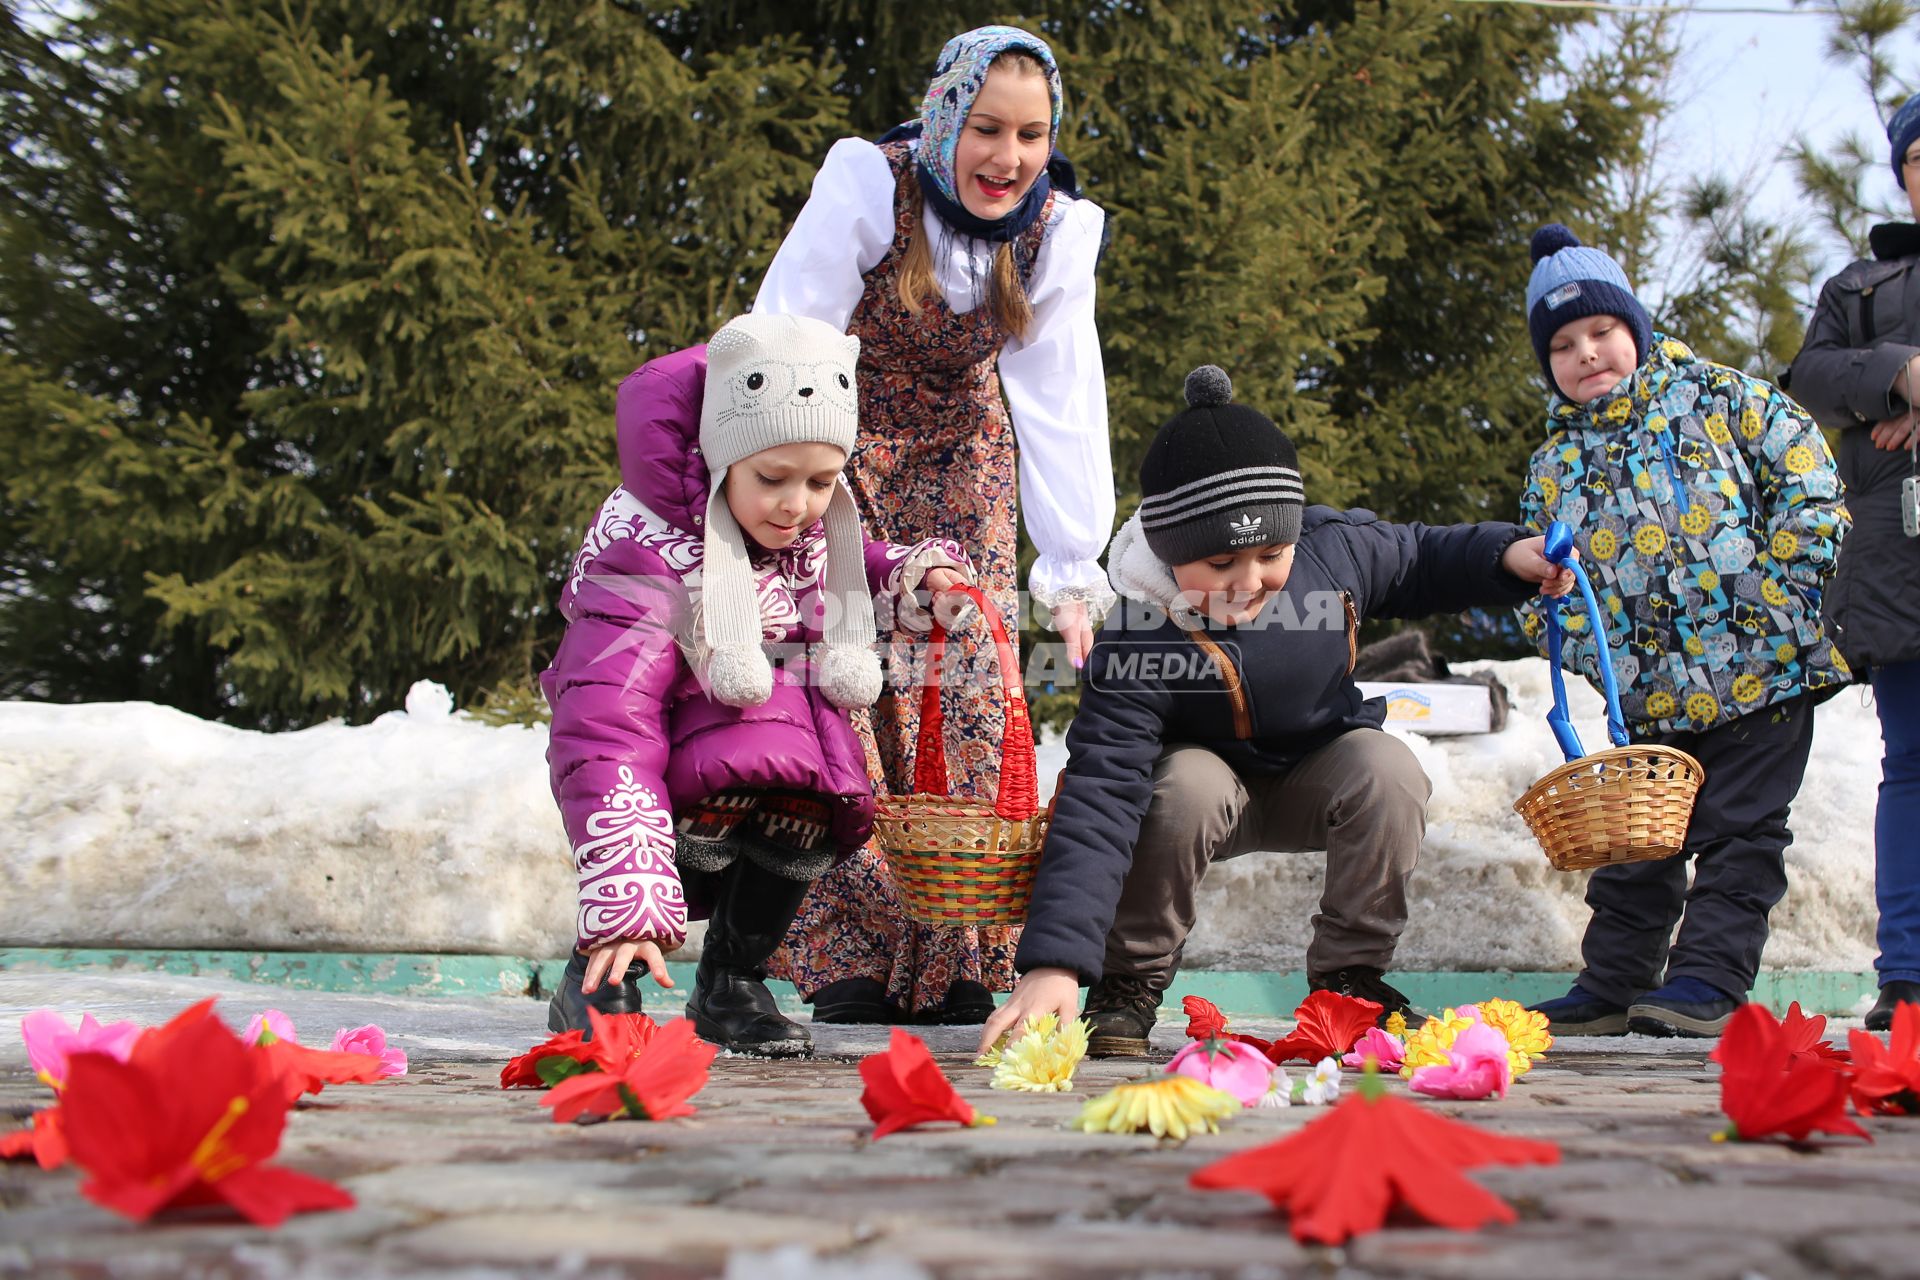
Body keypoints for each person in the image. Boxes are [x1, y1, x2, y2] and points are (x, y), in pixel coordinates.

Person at [979, 365, 1575, 1057]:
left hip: (1312, 776)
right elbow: (1101, 793)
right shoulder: (1138, 634)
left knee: (1388, 767)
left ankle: (1352, 979)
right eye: (1221, 564)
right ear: (1171, 555)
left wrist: (1508, 555)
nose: (1250, 581)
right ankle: (1129, 982)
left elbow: (1420, 556)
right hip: (1202, 799)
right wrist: (1055, 964)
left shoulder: (1333, 556)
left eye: (1270, 554)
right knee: (1186, 789)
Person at [753, 25, 1115, 1025]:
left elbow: (1060, 394)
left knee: (966, 685)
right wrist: (772, 480)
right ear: (948, 117)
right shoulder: (874, 183)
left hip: (968, 456)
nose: (1010, 157)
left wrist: (1076, 563)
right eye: (989, 129)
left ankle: (961, 949)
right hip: (843, 445)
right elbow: (793, 329)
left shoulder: (1055, 230)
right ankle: (851, 954)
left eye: (1033, 134)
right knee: (844, 682)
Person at [539, 312, 971, 1056]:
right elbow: (605, 726)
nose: (795, 505)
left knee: (806, 797)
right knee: (741, 778)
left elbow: (850, 563)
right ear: (718, 462)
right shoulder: (648, 565)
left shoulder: (803, 539)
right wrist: (627, 883)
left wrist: (912, 575)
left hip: (773, 755)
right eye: (771, 479)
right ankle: (599, 978)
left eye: (820, 482)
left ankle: (732, 978)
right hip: (667, 777)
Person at [1517, 225, 1851, 1038]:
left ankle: (1705, 980)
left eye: (1601, 331)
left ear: (1634, 326)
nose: (1587, 353)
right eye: (1563, 344)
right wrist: (1563, 624)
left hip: (1763, 667)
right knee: (1639, 843)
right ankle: (1613, 982)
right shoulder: (1555, 464)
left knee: (1741, 835)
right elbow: (1534, 571)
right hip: (1647, 693)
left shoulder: (1724, 400)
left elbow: (1810, 482)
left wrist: (1788, 588)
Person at [1783, 94, 1920, 1033]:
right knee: (1910, 763)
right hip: (1900, 548)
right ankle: (1909, 971)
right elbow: (1809, 379)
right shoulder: (1862, 287)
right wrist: (1899, 375)